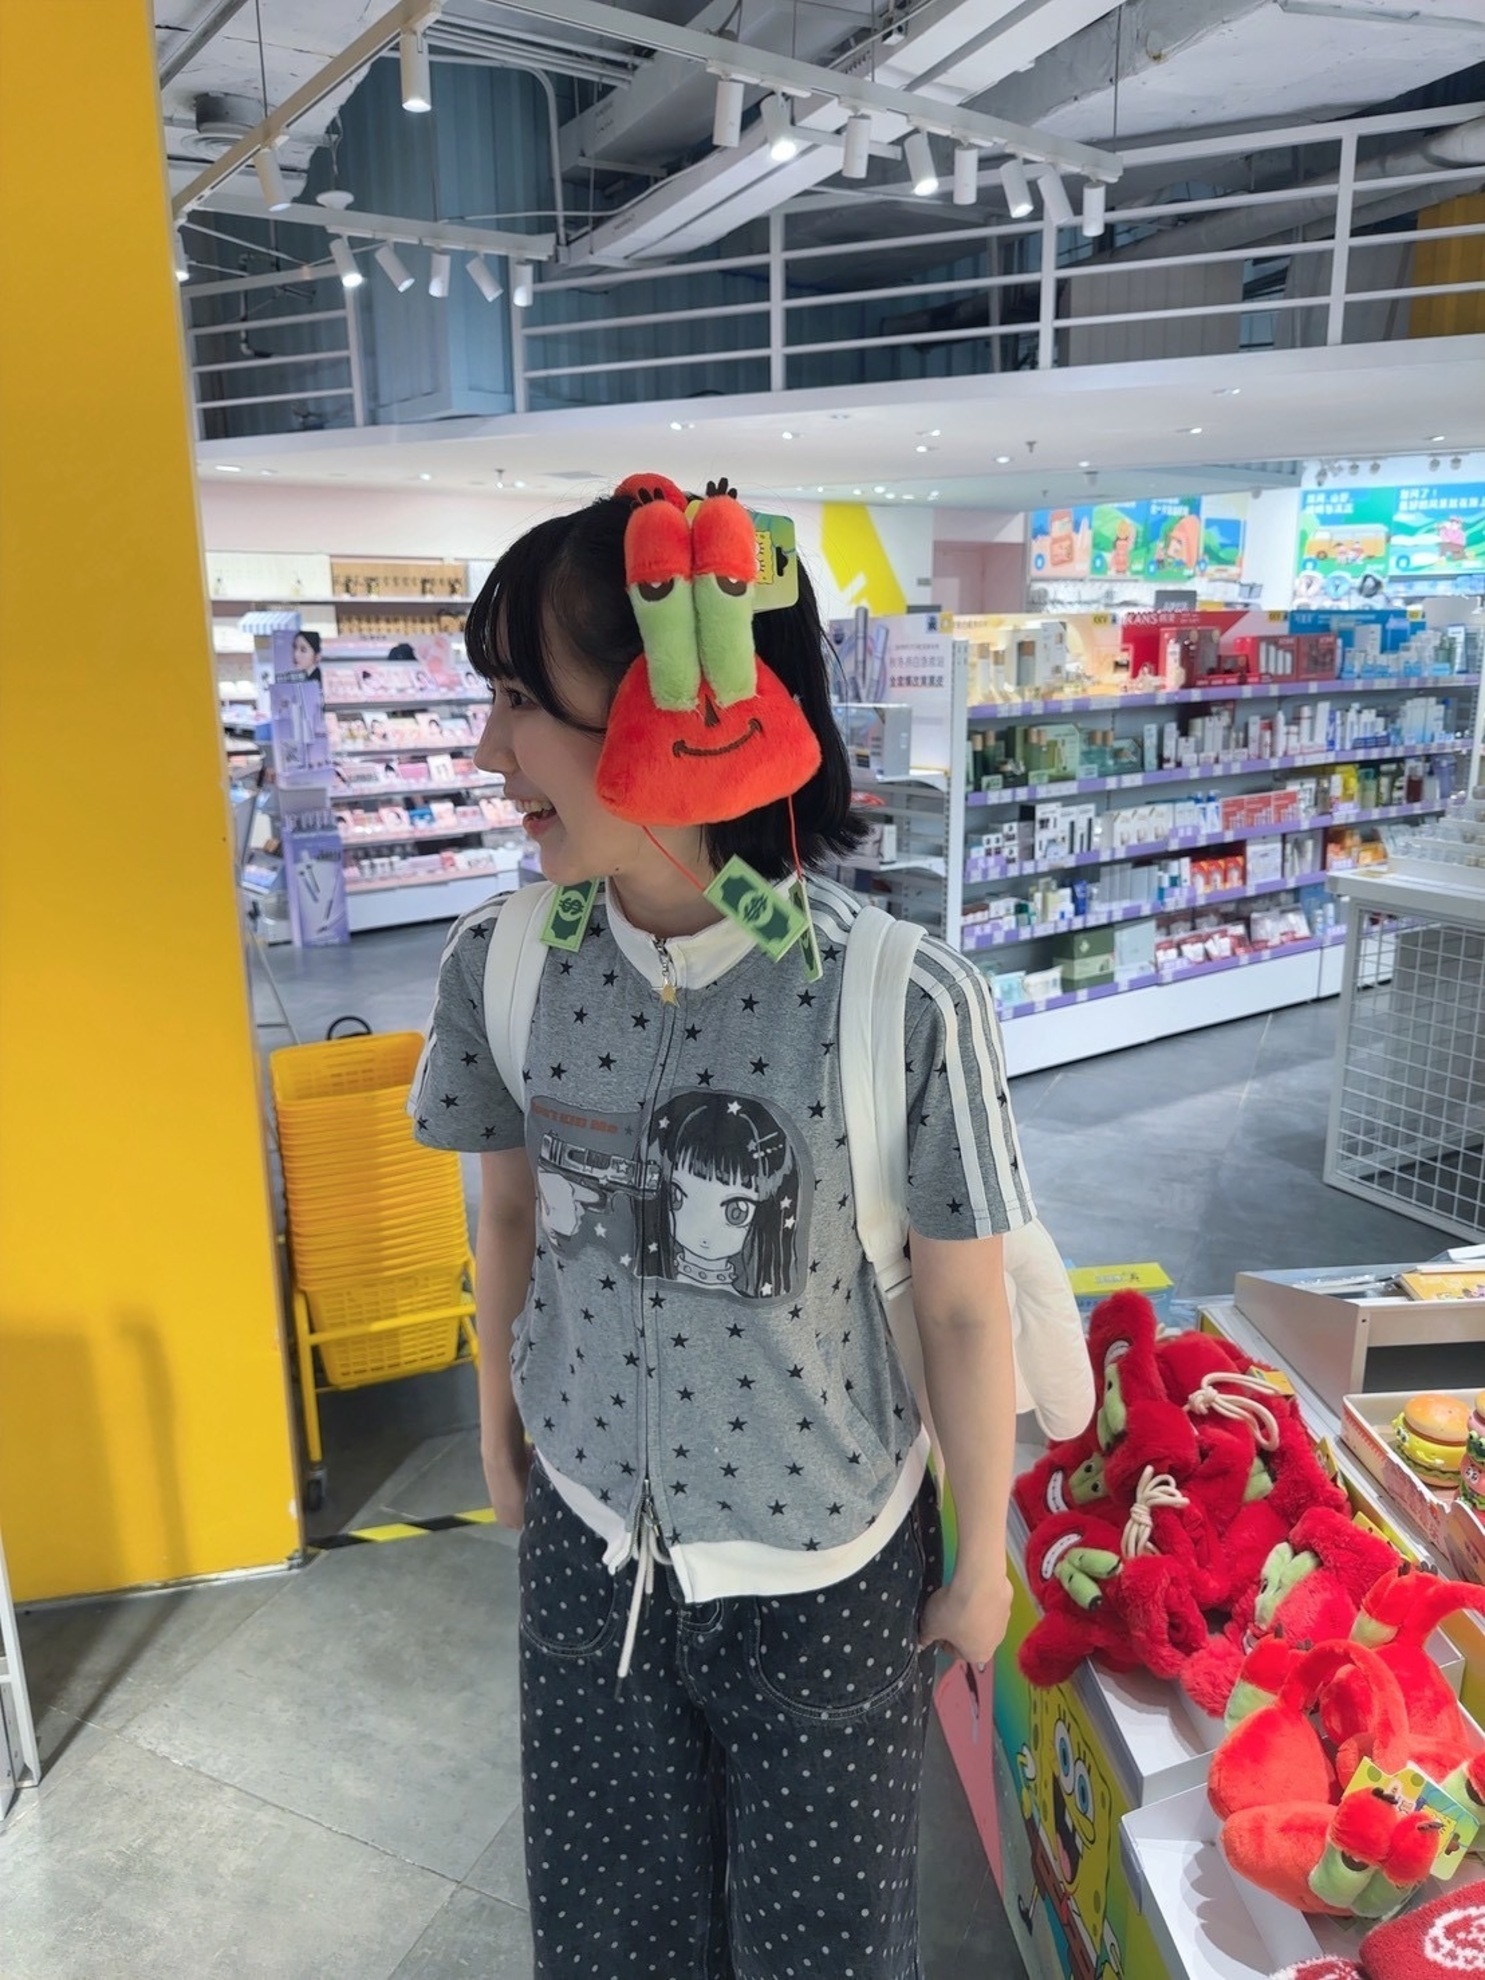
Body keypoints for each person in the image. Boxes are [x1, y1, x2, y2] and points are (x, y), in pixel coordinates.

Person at [411, 486, 1034, 1980]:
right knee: (607, 1945)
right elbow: (512, 1209)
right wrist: (497, 1429)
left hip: (828, 1576)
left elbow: (964, 1308)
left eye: (518, 701)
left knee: (826, 1953)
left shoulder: (904, 1001)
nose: (486, 751)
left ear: (673, 712)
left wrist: (983, 1558)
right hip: (587, 1548)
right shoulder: (500, 964)